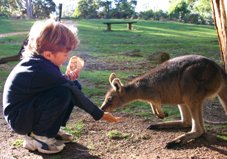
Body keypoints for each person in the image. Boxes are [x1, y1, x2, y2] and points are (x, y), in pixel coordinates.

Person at [2, 19, 122, 154]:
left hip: (25, 112)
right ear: (48, 54)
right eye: (65, 54)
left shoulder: (39, 62)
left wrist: (66, 78)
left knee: (72, 85)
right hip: (20, 119)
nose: (68, 57)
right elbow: (68, 90)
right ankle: (40, 137)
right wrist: (100, 114)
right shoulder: (41, 68)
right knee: (66, 90)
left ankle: (50, 130)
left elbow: (54, 84)